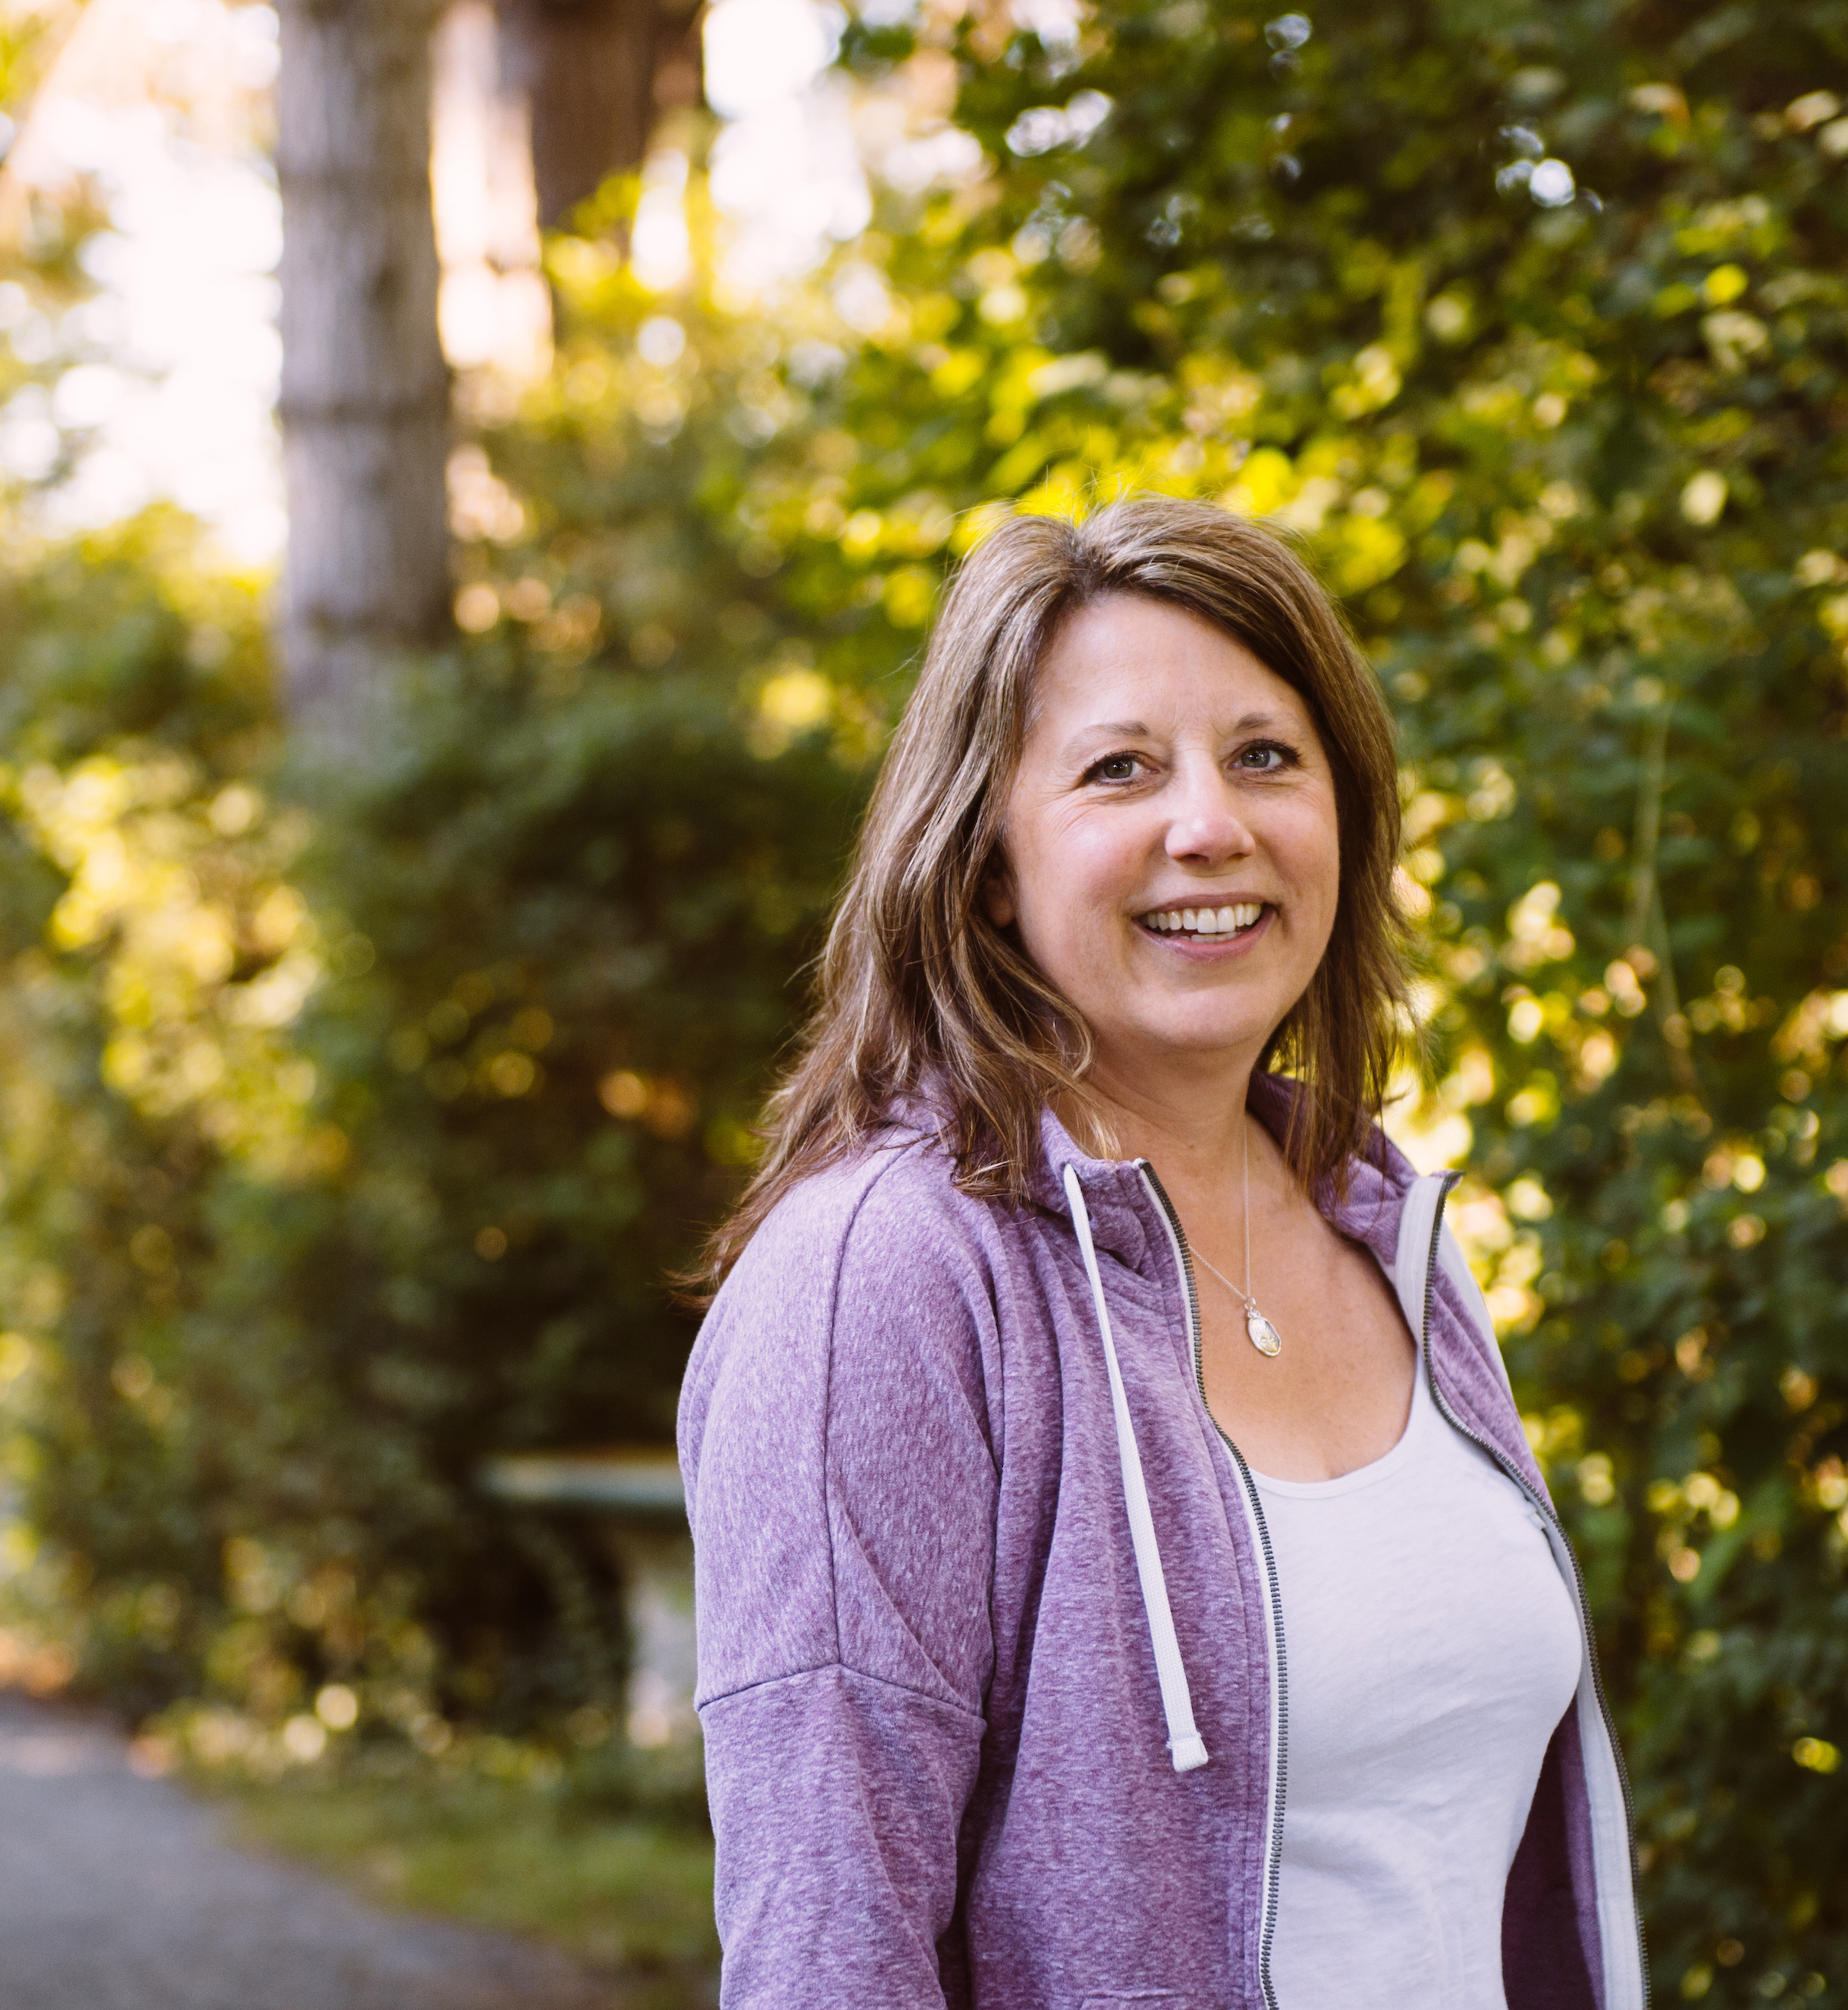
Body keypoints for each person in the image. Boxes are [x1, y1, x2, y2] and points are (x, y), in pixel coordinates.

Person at [678, 495, 1644, 2010]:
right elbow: (828, 1950)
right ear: (987, 863)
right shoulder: (886, 1279)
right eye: (1119, 768)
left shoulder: (1393, 1233)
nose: (1211, 826)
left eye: (1266, 757)